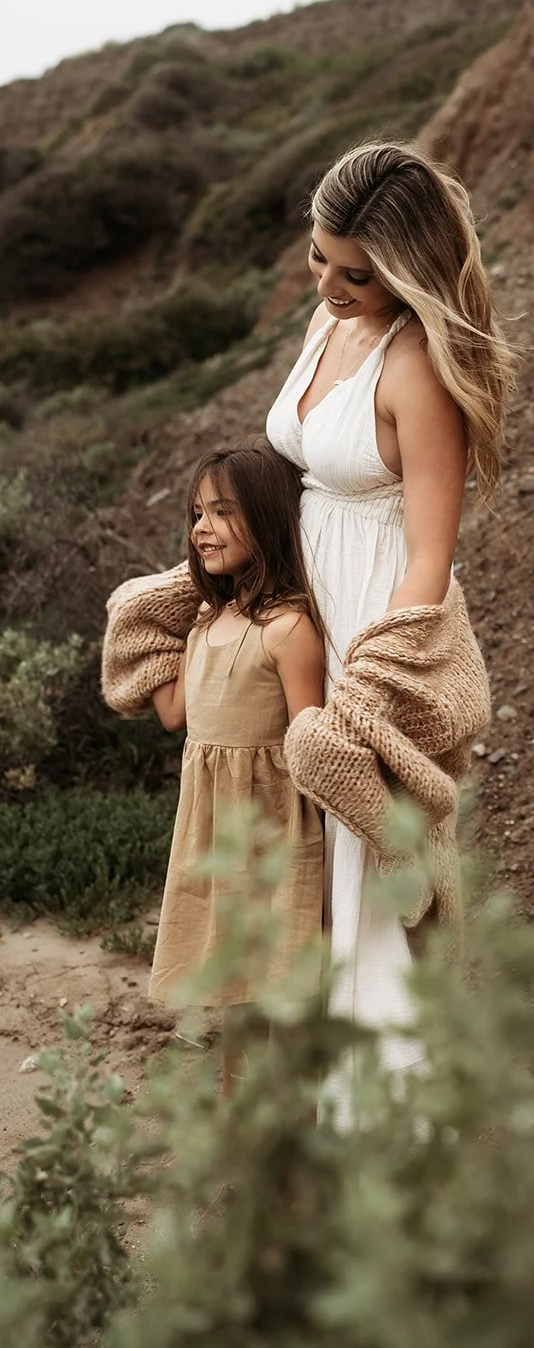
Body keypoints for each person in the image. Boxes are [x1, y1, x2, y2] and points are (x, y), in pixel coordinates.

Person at [265, 140, 513, 1106]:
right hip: (305, 602)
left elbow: (429, 555)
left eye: (355, 272)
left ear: (404, 270)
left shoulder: (415, 364)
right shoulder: (332, 325)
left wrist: (373, 691)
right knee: (308, 863)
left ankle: (388, 1123)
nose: (328, 282)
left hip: (372, 620)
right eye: (319, 257)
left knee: (367, 873)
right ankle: (323, 1087)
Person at [144, 444, 326, 1093]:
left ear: (268, 519)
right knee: (233, 995)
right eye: (196, 513)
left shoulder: (287, 628)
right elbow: (172, 713)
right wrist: (134, 624)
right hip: (216, 838)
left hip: (275, 836)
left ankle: (294, 1153)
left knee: (283, 996)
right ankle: (245, 1147)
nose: (201, 528)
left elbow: (312, 743)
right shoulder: (204, 623)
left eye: (223, 511)